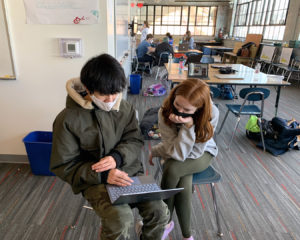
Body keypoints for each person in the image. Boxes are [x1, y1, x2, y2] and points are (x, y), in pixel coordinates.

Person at [50, 54, 173, 240]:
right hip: (95, 180)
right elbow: (63, 165)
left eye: (115, 92)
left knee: (160, 212)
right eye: (103, 94)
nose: (110, 99)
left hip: (129, 171)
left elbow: (135, 139)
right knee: (120, 219)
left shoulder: (124, 108)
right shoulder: (67, 119)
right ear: (88, 89)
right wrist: (103, 174)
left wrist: (117, 157)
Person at [149, 79, 219, 240]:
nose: (179, 111)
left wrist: (188, 127)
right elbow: (173, 148)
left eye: (186, 109)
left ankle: (164, 224)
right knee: (181, 179)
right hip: (176, 151)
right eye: (177, 104)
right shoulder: (165, 111)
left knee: (173, 169)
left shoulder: (212, 113)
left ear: (199, 108)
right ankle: (186, 235)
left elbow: (194, 153)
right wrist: (160, 150)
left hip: (203, 153)